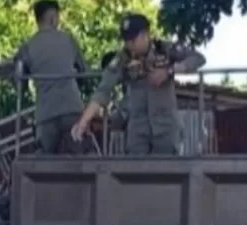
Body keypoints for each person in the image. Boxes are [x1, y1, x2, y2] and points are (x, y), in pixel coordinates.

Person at [71, 13, 206, 155]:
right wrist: (83, 121)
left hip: (166, 128)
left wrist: (169, 71)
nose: (129, 45)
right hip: (138, 131)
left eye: (132, 40)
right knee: (136, 173)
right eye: (126, 40)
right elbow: (103, 89)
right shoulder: (122, 58)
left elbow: (198, 58)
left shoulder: (165, 49)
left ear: (144, 35)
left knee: (166, 174)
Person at [14, 0, 89, 154]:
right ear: (53, 17)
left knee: (45, 164)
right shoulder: (68, 39)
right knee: (79, 161)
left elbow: (19, 82)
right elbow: (84, 72)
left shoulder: (27, 47)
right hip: (71, 108)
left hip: (45, 114)